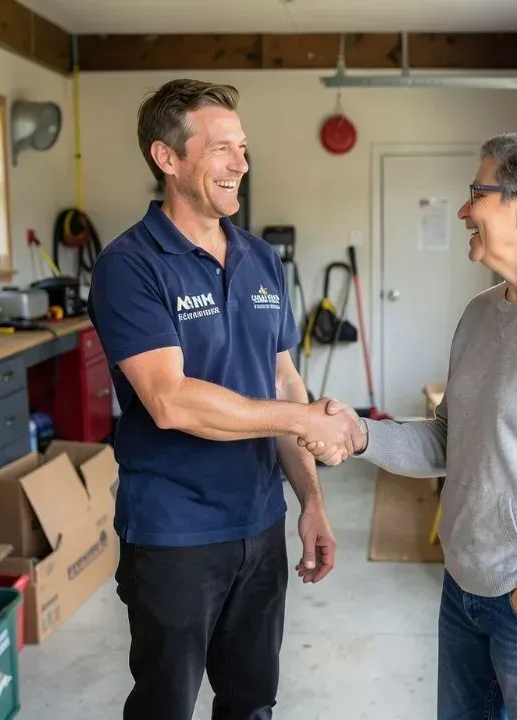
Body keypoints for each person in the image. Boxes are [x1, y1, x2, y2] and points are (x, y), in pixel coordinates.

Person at [302, 132, 517, 719]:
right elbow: (448, 439)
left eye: (476, 193)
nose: (464, 209)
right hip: (466, 590)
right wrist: (360, 433)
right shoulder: (481, 313)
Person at [87, 78, 362, 720]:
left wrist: (312, 501)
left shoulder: (262, 259)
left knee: (252, 702)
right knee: (166, 706)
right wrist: (298, 417)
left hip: (260, 522)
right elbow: (169, 400)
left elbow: (285, 381)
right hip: (175, 531)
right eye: (220, 149)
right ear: (167, 157)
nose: (241, 163)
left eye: (242, 147)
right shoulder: (131, 265)